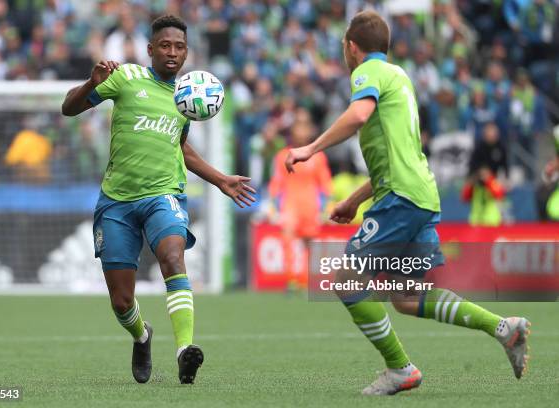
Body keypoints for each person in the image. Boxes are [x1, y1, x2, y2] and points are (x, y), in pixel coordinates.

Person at [285, 10, 529, 396]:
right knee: (406, 297)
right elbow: (399, 155)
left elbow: (358, 114)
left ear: (352, 47)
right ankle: (503, 328)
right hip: (418, 194)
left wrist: (311, 148)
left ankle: (400, 369)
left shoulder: (366, 73)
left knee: (346, 280)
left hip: (400, 198)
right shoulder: (400, 77)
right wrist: (353, 199)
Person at [61, 15, 255, 385]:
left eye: (179, 47)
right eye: (165, 45)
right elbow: (68, 108)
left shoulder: (186, 98)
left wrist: (219, 180)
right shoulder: (126, 77)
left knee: (171, 257)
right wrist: (92, 82)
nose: (172, 52)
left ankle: (185, 351)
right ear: (151, 49)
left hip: (163, 195)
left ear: (186, 52)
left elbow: (180, 146)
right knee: (121, 302)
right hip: (116, 202)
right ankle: (141, 335)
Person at [268, 120, 332, 291]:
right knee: (287, 239)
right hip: (290, 204)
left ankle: (305, 280)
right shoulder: (283, 155)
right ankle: (291, 279)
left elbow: (325, 183)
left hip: (310, 205)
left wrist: (327, 206)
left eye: (305, 126)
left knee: (308, 243)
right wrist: (273, 204)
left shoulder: (318, 156)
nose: (302, 131)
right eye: (298, 126)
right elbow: (277, 181)